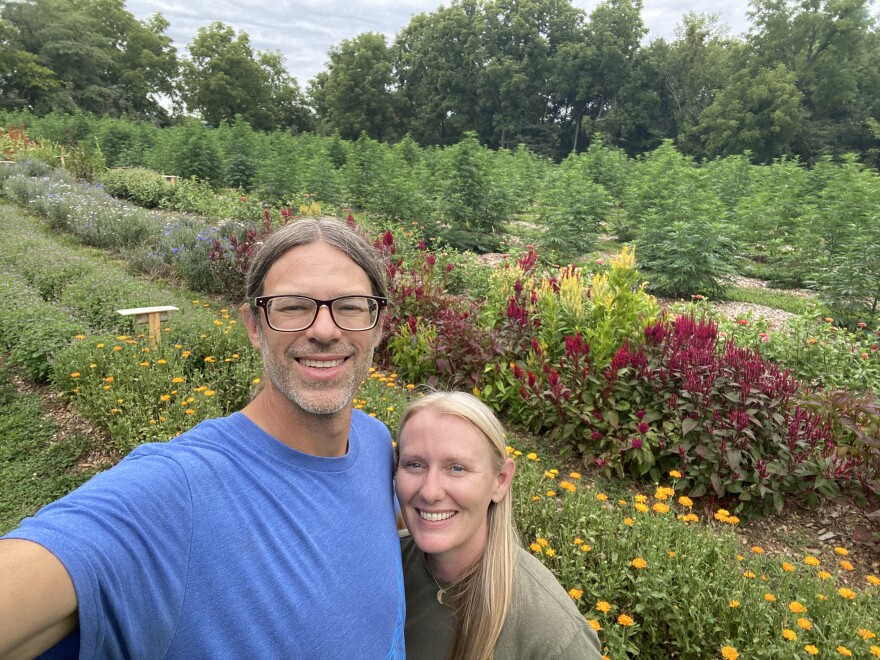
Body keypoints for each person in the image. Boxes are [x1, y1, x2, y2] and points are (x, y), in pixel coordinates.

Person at [0, 218, 406, 659]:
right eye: (292, 306)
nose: (325, 330)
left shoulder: (374, 442)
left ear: (378, 324)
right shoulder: (177, 491)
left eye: (349, 306)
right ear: (254, 325)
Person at [395, 392, 603, 660]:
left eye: (457, 468)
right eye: (414, 464)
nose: (430, 491)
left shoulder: (553, 634)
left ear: (500, 481)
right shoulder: (383, 569)